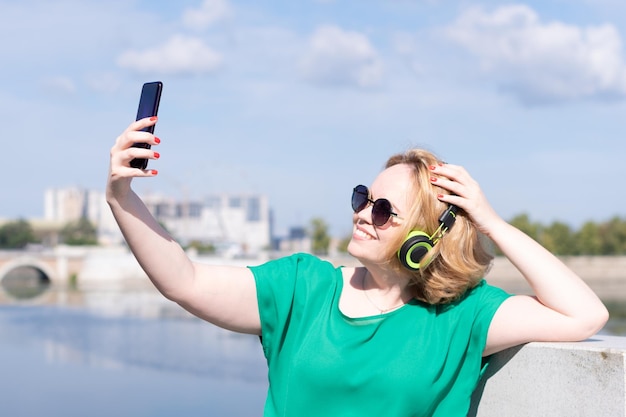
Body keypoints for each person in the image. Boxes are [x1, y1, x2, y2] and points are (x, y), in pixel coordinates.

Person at [107, 115, 609, 417]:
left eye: (384, 210)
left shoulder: (461, 316)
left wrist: (491, 222)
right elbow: (183, 280)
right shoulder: (303, 288)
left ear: (426, 240)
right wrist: (119, 195)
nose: (363, 214)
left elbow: (583, 315)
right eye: (363, 198)